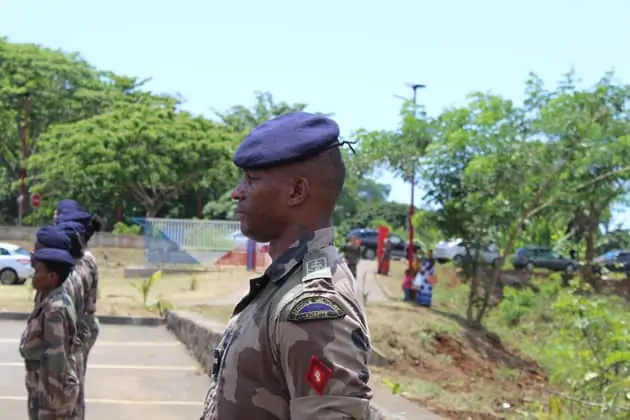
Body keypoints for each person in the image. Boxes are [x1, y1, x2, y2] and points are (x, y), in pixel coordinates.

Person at [199, 112, 372, 420]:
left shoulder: (311, 304)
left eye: (252, 180)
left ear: (296, 192)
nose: (236, 192)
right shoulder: (287, 281)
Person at [20, 229, 81, 419]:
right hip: (44, 385)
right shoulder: (50, 298)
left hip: (51, 392)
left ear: (52, 277)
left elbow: (55, 358)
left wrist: (50, 403)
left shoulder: (55, 309)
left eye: (38, 271)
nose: (33, 275)